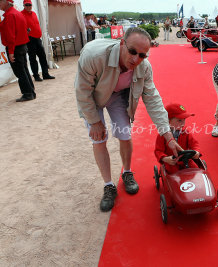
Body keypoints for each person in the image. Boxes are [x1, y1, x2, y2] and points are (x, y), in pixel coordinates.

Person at [75, 27, 182, 212]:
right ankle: (108, 185)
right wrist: (94, 121)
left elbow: (153, 100)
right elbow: (83, 92)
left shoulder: (144, 67)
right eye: (132, 51)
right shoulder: (93, 56)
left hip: (117, 96)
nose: (135, 59)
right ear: (122, 43)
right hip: (93, 97)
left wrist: (169, 136)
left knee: (124, 134)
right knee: (99, 137)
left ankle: (127, 172)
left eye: (142, 55)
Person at [0, 0, 36, 102]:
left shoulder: (10, 15)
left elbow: (11, 36)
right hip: (22, 46)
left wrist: (11, 51)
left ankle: (28, 93)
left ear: (6, 3)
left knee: (20, 72)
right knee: (24, 70)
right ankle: (31, 91)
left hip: (15, 47)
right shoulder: (16, 13)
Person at [154, 103, 200, 174]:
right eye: (179, 121)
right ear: (168, 121)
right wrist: (165, 158)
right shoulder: (162, 135)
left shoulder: (185, 132)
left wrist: (196, 151)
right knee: (174, 175)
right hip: (171, 162)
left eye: (184, 120)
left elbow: (194, 143)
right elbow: (158, 151)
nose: (183, 124)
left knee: (196, 170)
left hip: (186, 159)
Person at [21, 0, 55, 82]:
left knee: (42, 57)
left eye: (30, 5)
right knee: (33, 58)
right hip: (30, 40)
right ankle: (36, 75)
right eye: (27, 5)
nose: (29, 6)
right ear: (24, 5)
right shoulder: (21, 14)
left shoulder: (34, 13)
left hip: (37, 38)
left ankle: (45, 74)